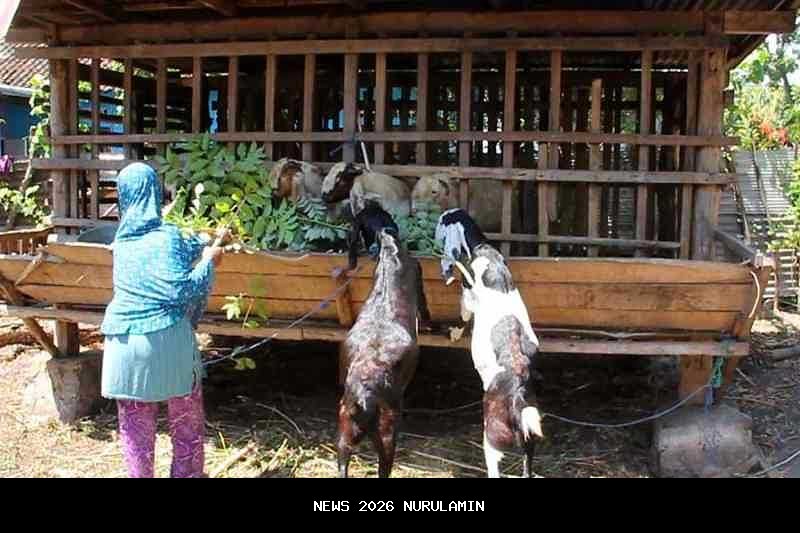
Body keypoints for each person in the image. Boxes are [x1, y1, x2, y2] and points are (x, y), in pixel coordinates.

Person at [100, 162, 224, 478]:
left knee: (136, 438)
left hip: (122, 350)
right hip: (167, 346)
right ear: (156, 194)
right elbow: (183, 290)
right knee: (187, 431)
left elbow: (187, 244)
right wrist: (211, 259)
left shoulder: (120, 245)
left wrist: (204, 239)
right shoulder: (169, 238)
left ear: (123, 198)